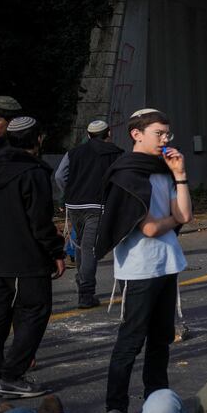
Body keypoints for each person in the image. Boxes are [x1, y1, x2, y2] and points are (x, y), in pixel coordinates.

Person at [96, 109, 192, 413]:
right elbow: (149, 229)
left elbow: (186, 216)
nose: (165, 140)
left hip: (167, 264)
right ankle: (116, 408)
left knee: (161, 339)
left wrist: (180, 174)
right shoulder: (127, 171)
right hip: (140, 267)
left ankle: (157, 399)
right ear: (137, 134)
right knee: (131, 340)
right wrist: (171, 218)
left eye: (167, 134)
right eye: (158, 134)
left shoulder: (163, 168)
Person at [0, 117, 64, 399]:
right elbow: (40, 222)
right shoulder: (33, 173)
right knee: (34, 312)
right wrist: (56, 251)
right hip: (26, 258)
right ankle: (11, 376)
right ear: (39, 139)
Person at [53, 119, 120, 308]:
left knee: (82, 246)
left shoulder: (74, 152)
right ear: (109, 134)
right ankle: (86, 293)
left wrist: (68, 193)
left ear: (89, 135)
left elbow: (59, 175)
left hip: (74, 206)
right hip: (97, 207)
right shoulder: (115, 153)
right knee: (90, 248)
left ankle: (81, 283)